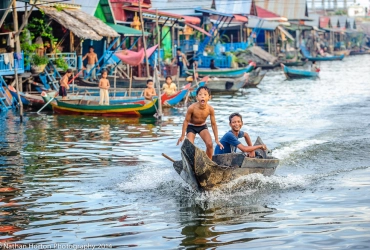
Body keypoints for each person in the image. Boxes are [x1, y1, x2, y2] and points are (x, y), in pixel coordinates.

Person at [177, 86, 223, 159]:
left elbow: (213, 124)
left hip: (202, 126)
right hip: (191, 127)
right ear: (197, 97)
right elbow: (186, 121)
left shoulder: (210, 109)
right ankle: (190, 161)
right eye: (200, 95)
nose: (202, 96)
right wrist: (182, 135)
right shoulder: (191, 108)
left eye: (205, 95)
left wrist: (216, 139)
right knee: (189, 146)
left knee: (210, 144)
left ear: (209, 97)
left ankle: (209, 161)